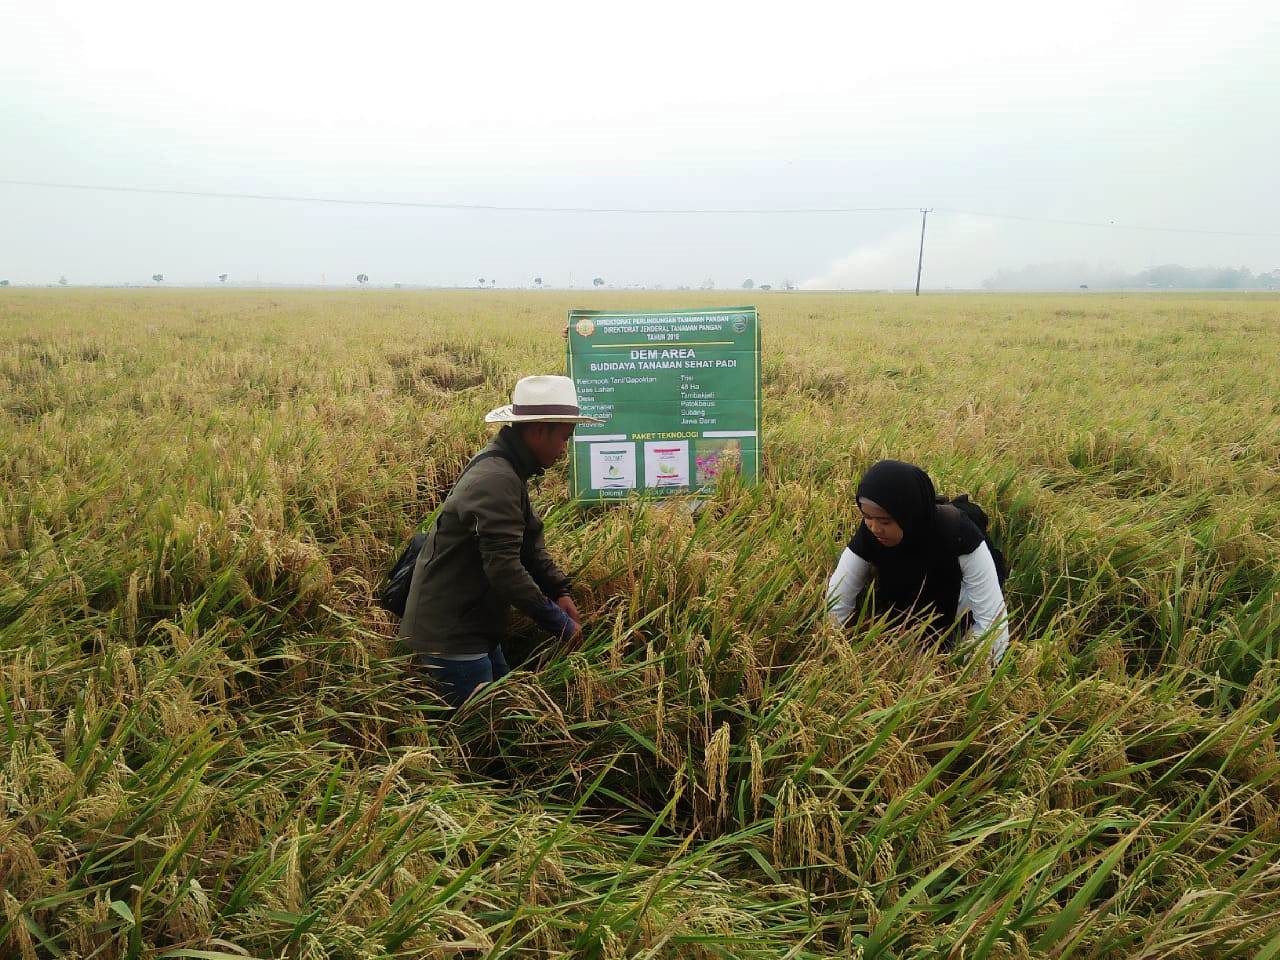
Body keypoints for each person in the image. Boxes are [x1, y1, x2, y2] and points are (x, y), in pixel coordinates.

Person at [399, 374, 603, 708]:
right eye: (564, 438)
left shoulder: (507, 467)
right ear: (539, 431)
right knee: (478, 737)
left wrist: (559, 590)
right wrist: (559, 623)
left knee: (502, 715)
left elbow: (528, 542)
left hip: (475, 624)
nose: (565, 448)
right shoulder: (496, 478)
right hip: (453, 637)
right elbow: (505, 570)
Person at [826, 459, 1010, 664]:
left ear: (908, 514)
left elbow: (992, 622)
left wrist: (963, 670)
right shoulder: (871, 529)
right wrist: (831, 650)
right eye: (867, 516)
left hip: (957, 603)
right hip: (905, 601)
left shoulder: (959, 535)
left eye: (885, 521)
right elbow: (839, 595)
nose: (875, 528)